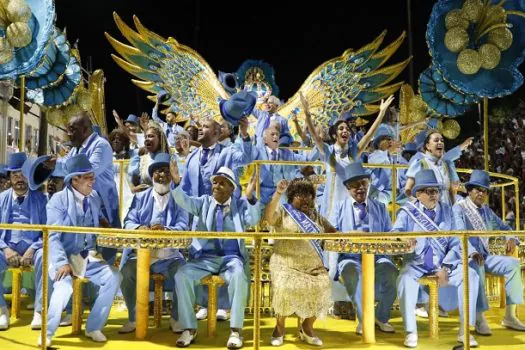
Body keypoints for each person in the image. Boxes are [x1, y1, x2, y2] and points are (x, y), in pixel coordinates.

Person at [171, 166, 260, 348]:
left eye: (222, 183)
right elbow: (183, 200)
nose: (216, 186)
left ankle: (236, 331)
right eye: (214, 182)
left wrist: (250, 196)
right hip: (205, 259)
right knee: (182, 275)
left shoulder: (241, 205)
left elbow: (253, 219)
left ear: (231, 189)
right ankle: (189, 328)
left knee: (238, 276)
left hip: (231, 259)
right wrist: (177, 182)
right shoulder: (204, 202)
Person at [40, 154, 122, 347]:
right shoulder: (58, 201)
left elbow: (100, 218)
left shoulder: (93, 197)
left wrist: (109, 229)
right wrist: (62, 263)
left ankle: (93, 327)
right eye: (88, 177)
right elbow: (53, 236)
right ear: (74, 179)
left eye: (93, 176)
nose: (93, 181)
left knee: (114, 277)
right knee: (64, 287)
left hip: (87, 257)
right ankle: (47, 332)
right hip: (65, 257)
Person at [393, 170, 479, 348]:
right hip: (417, 263)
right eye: (429, 191)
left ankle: (466, 331)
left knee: (471, 275)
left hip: (444, 262)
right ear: (418, 194)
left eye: (436, 191)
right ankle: (411, 331)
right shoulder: (408, 211)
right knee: (404, 280)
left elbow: (457, 242)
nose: (434, 195)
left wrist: (446, 268)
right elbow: (395, 233)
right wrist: (403, 239)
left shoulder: (448, 211)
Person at [120, 153, 189, 334]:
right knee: (125, 272)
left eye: (167, 171)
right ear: (152, 176)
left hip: (170, 256)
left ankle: (176, 319)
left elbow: (183, 226)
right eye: (158, 171)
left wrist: (166, 231)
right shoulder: (140, 198)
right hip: (143, 256)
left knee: (185, 274)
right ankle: (134, 318)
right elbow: (128, 222)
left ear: (172, 176)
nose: (163, 175)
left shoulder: (180, 199)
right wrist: (140, 228)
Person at [453, 170, 525, 335]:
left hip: (485, 255)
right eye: (477, 189)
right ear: (469, 191)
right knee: (476, 264)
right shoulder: (459, 209)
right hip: (464, 256)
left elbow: (505, 227)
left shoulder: (487, 211)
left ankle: (510, 316)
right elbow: (458, 233)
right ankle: (479, 317)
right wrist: (471, 252)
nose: (481, 193)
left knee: (513, 264)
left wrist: (512, 238)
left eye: (484, 190)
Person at [264, 178, 335, 346]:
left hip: (313, 267)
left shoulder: (316, 216)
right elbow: (269, 217)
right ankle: (279, 328)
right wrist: (278, 193)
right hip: (285, 263)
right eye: (300, 195)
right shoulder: (284, 212)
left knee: (324, 284)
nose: (306, 199)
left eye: (309, 195)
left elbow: (333, 232)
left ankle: (307, 326)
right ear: (291, 197)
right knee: (285, 286)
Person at [301, 92, 395, 218]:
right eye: (341, 129)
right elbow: (316, 137)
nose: (345, 130)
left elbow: (368, 136)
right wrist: (307, 113)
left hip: (349, 204)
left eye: (346, 129)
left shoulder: (353, 153)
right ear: (334, 135)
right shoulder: (328, 151)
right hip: (331, 205)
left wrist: (381, 113)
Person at [329, 162, 397, 335]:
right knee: (352, 272)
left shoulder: (380, 207)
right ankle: (364, 319)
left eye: (363, 183)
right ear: (347, 188)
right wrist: (346, 235)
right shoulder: (338, 208)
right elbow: (331, 234)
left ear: (369, 184)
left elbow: (390, 233)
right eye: (354, 185)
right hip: (350, 257)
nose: (360, 188)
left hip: (377, 256)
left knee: (391, 271)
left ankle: (380, 318)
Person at [43, 111, 121, 232]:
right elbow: (64, 165)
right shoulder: (76, 148)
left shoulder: (101, 145)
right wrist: (51, 165)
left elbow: (87, 171)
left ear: (85, 130)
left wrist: (58, 164)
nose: (68, 134)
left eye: (72, 130)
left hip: (103, 205)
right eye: (68, 130)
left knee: (107, 245)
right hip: (82, 205)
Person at [0, 153, 47, 330]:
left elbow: (47, 231)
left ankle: (39, 311)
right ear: (10, 178)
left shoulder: (41, 199)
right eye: (15, 175)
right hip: (7, 248)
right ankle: (2, 310)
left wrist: (33, 249)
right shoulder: (1, 199)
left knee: (45, 257)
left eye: (23, 174)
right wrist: (5, 249)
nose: (19, 179)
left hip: (33, 249)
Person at [241, 123, 308, 205]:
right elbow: (247, 155)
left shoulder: (287, 153)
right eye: (272, 134)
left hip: (282, 194)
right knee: (251, 206)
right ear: (265, 140)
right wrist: (244, 135)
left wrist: (319, 145)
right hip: (262, 193)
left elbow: (306, 159)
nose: (275, 136)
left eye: (277, 135)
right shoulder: (258, 151)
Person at [405, 131, 460, 206]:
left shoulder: (446, 165)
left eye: (442, 140)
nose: (440, 142)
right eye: (436, 140)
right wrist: (418, 206)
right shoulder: (420, 163)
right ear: (428, 146)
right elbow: (408, 189)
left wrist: (453, 208)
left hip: (446, 209)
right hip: (428, 211)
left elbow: (451, 191)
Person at [128, 122, 170, 192]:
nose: (147, 139)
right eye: (146, 137)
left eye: (151, 136)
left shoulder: (171, 159)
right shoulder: (139, 160)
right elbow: (131, 183)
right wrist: (134, 189)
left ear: (160, 140)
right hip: (145, 200)